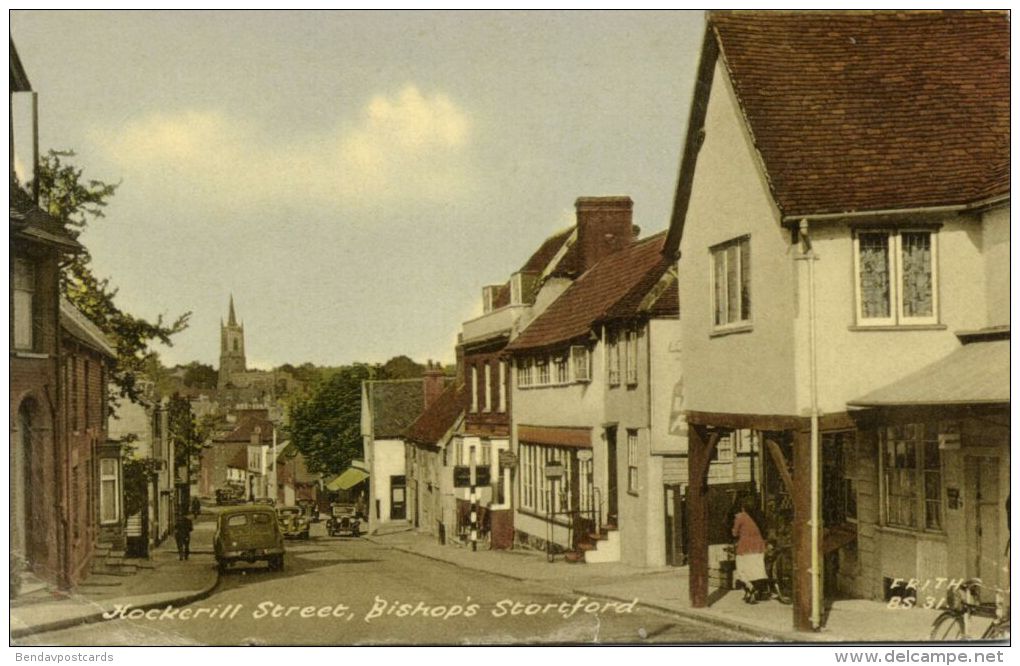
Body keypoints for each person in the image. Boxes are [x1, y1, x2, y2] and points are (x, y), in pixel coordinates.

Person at [732, 495, 767, 604]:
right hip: (759, 547)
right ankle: (750, 593)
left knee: (742, 571)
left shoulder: (741, 517)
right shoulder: (759, 515)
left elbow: (734, 533)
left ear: (743, 507)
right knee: (755, 571)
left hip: (745, 547)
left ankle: (750, 587)